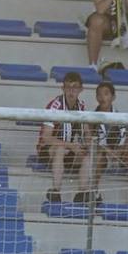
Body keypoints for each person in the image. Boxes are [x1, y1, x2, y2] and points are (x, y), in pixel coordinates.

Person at [84, 81, 128, 204]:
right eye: (99, 94)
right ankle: (95, 191)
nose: (102, 97)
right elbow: (90, 142)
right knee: (97, 159)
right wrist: (106, 151)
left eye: (106, 94)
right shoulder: (92, 118)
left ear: (113, 97)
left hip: (119, 154)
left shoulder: (120, 117)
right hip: (102, 155)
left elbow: (126, 141)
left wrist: (119, 152)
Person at [37, 71, 88, 203]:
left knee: (87, 154)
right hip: (48, 150)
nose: (71, 91)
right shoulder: (55, 106)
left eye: (75, 87)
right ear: (63, 88)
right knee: (60, 149)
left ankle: (82, 193)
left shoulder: (81, 107)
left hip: (68, 149)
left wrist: (86, 144)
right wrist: (71, 145)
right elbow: (46, 137)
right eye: (68, 87)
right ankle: (56, 191)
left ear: (81, 89)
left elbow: (86, 132)